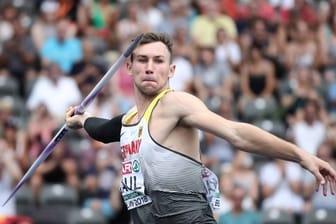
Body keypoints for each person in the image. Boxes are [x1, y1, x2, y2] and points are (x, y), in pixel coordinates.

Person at [65, 32, 336, 224]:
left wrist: (302, 156)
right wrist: (80, 119)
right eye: (143, 60)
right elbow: (103, 130)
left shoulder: (176, 104)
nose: (150, 67)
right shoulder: (129, 120)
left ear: (171, 71)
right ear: (129, 67)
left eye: (158, 61)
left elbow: (237, 133)